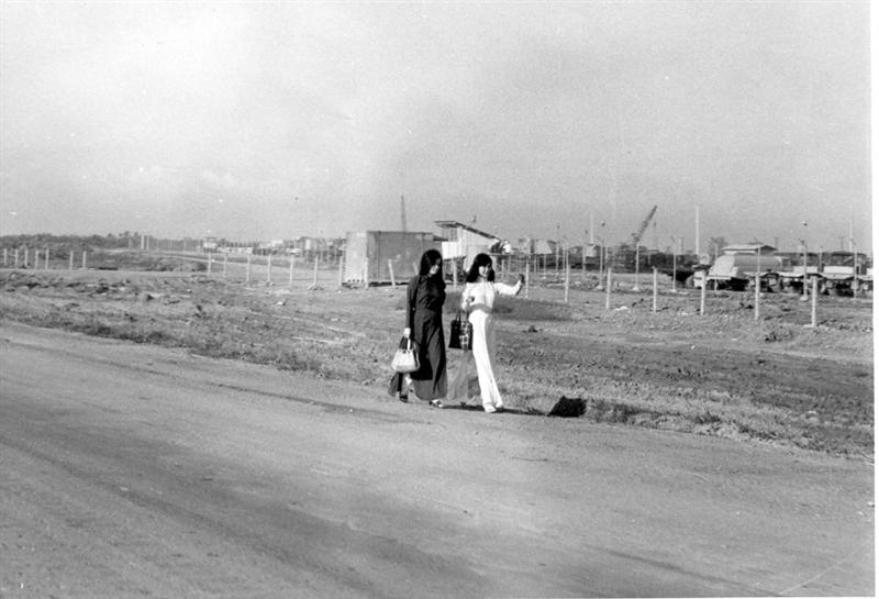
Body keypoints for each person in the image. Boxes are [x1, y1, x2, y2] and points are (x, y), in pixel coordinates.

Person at [451, 253, 523, 413]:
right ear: (477, 267)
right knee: (482, 361)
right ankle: (488, 400)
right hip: (476, 321)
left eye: (489, 266)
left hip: (489, 322)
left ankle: (490, 398)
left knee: (490, 360)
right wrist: (468, 302)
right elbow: (463, 306)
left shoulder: (492, 285)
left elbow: (512, 291)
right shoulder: (471, 286)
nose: (486, 269)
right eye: (483, 266)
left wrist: (520, 283)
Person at [393, 249, 447, 406]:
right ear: (426, 264)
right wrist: (407, 327)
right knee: (414, 358)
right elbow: (410, 305)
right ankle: (405, 386)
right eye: (433, 264)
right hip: (418, 324)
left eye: (438, 265)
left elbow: (440, 305)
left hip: (435, 324)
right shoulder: (417, 281)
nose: (436, 267)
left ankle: (434, 395)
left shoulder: (439, 283)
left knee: (437, 358)